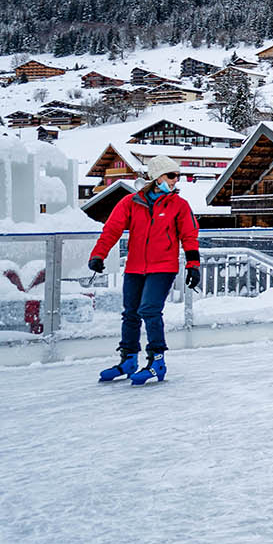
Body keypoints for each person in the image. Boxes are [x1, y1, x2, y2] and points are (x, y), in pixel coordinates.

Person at [89, 155, 201, 384]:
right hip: (135, 267)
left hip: (163, 267)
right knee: (130, 313)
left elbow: (189, 236)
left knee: (149, 309)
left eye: (177, 176)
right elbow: (112, 230)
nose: (175, 180)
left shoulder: (179, 205)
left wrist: (193, 265)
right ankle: (128, 359)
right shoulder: (131, 202)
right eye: (171, 175)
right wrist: (98, 255)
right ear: (156, 177)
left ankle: (157, 362)